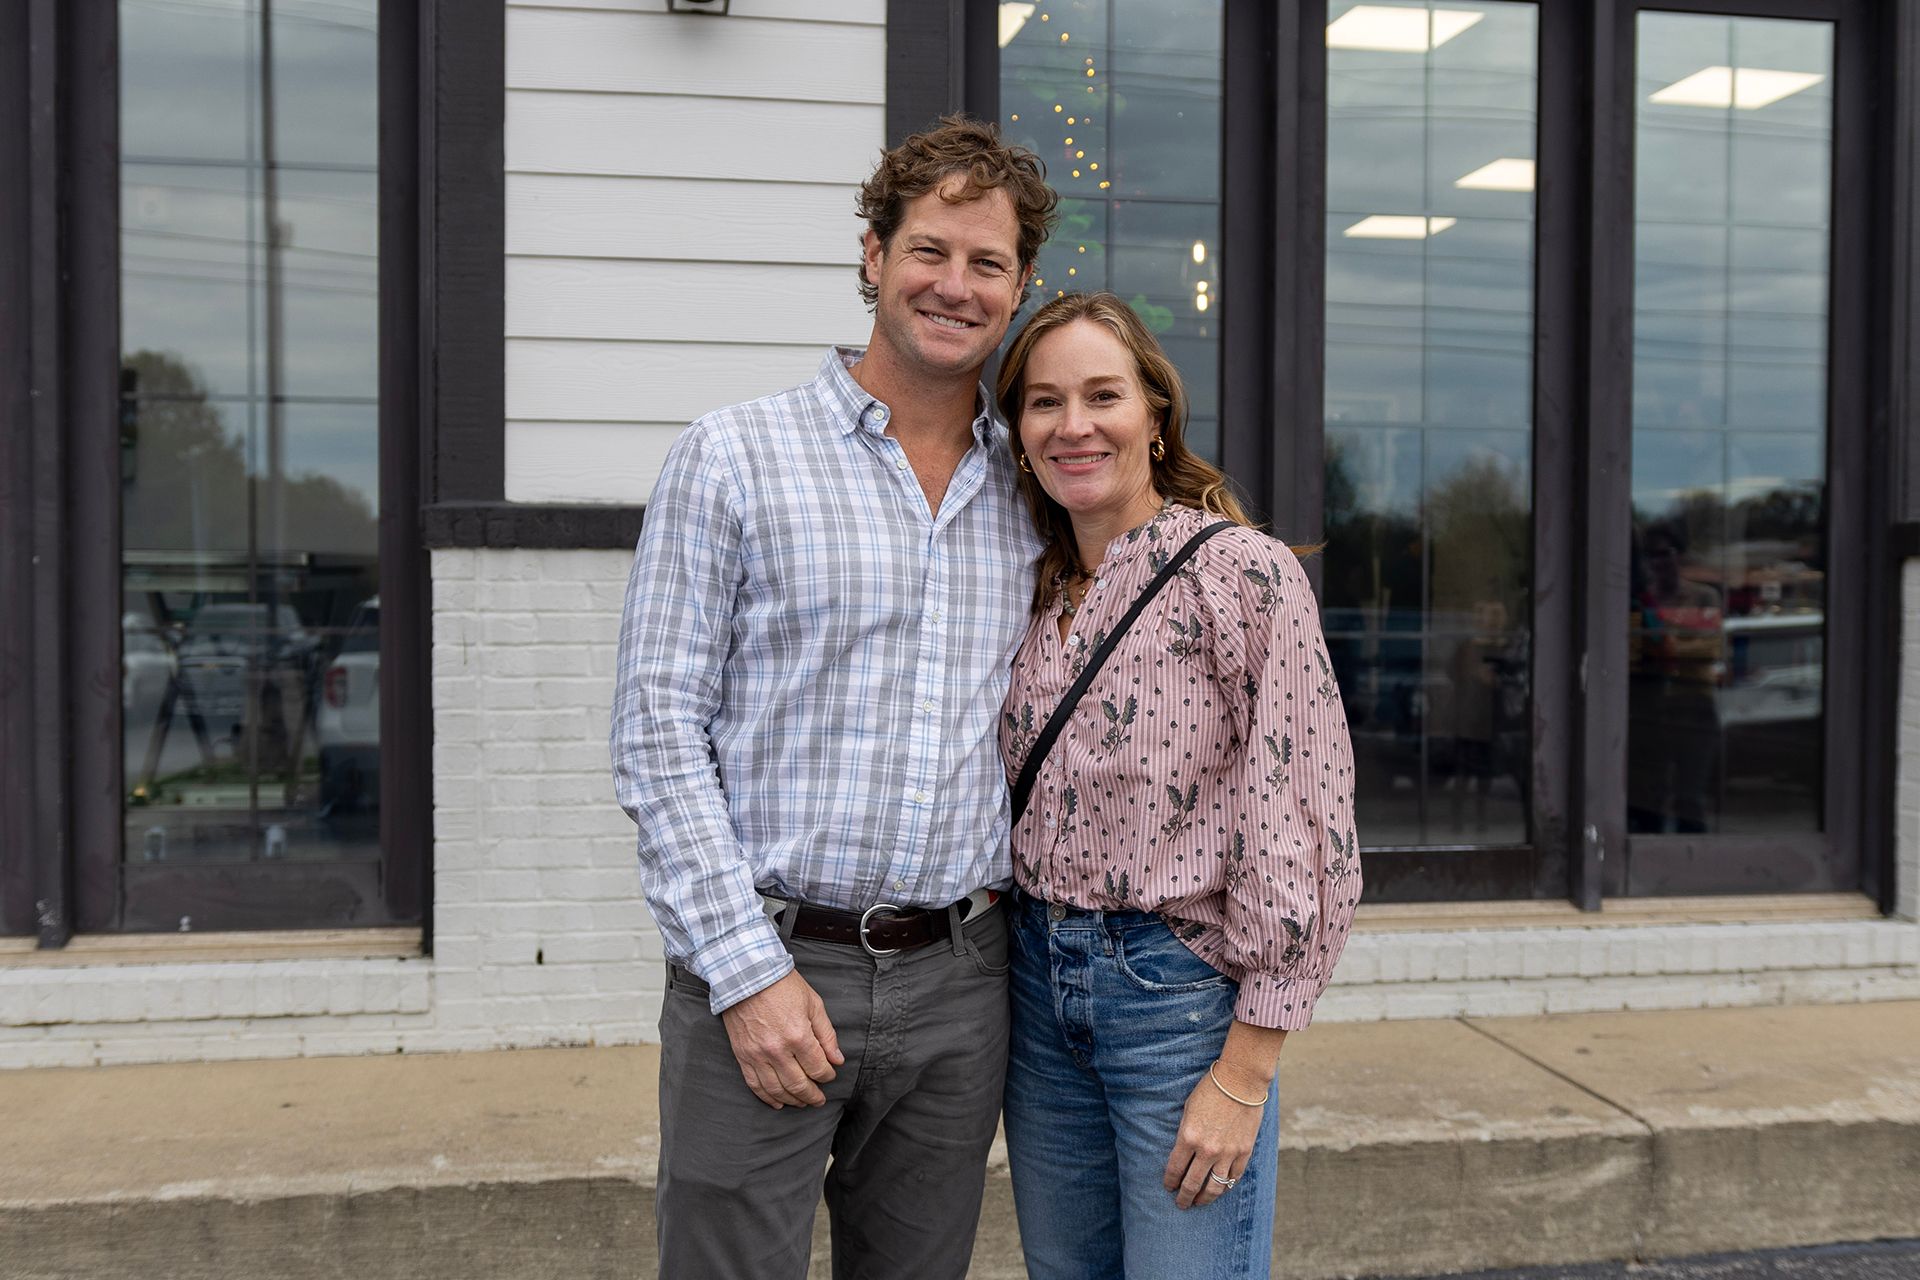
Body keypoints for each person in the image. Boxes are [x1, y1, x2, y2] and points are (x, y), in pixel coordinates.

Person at [609, 116, 1056, 1279]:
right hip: (763, 957)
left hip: (962, 982)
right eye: (929, 250)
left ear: (1021, 285)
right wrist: (746, 973)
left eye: (987, 262)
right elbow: (658, 734)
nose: (954, 285)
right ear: (872, 252)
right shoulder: (731, 457)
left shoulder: (1035, 488)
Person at [994, 292, 1362, 1280]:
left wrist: (1245, 1071)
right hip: (1034, 978)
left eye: (1102, 394)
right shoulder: (1027, 584)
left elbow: (1304, 815)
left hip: (1174, 993)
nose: (1074, 424)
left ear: (1155, 415)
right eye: (1043, 402)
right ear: (1019, 433)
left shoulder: (1239, 574)